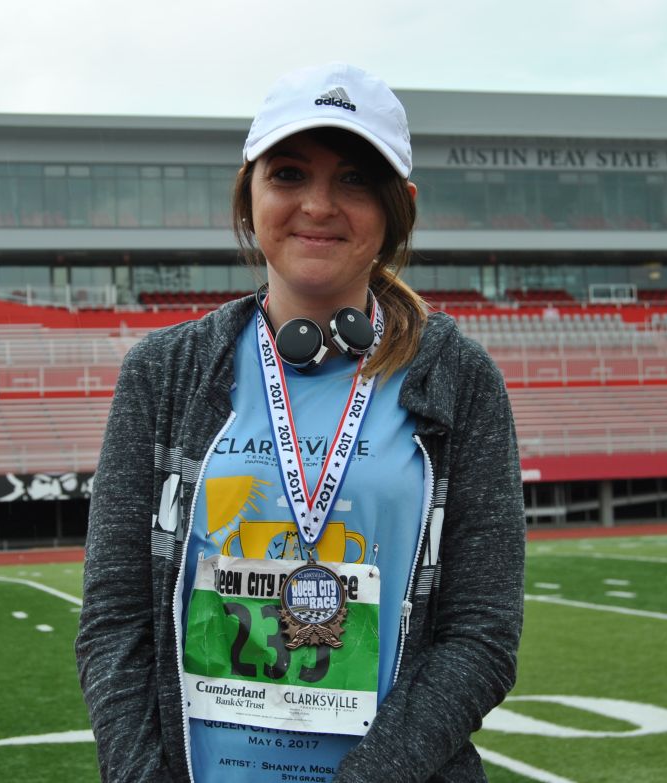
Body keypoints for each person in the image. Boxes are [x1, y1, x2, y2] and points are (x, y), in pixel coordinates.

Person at [77, 62, 525, 782]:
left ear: (398, 207)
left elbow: (482, 636)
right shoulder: (164, 372)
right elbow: (113, 624)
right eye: (288, 174)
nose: (318, 205)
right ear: (249, 192)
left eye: (354, 179)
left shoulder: (458, 378)